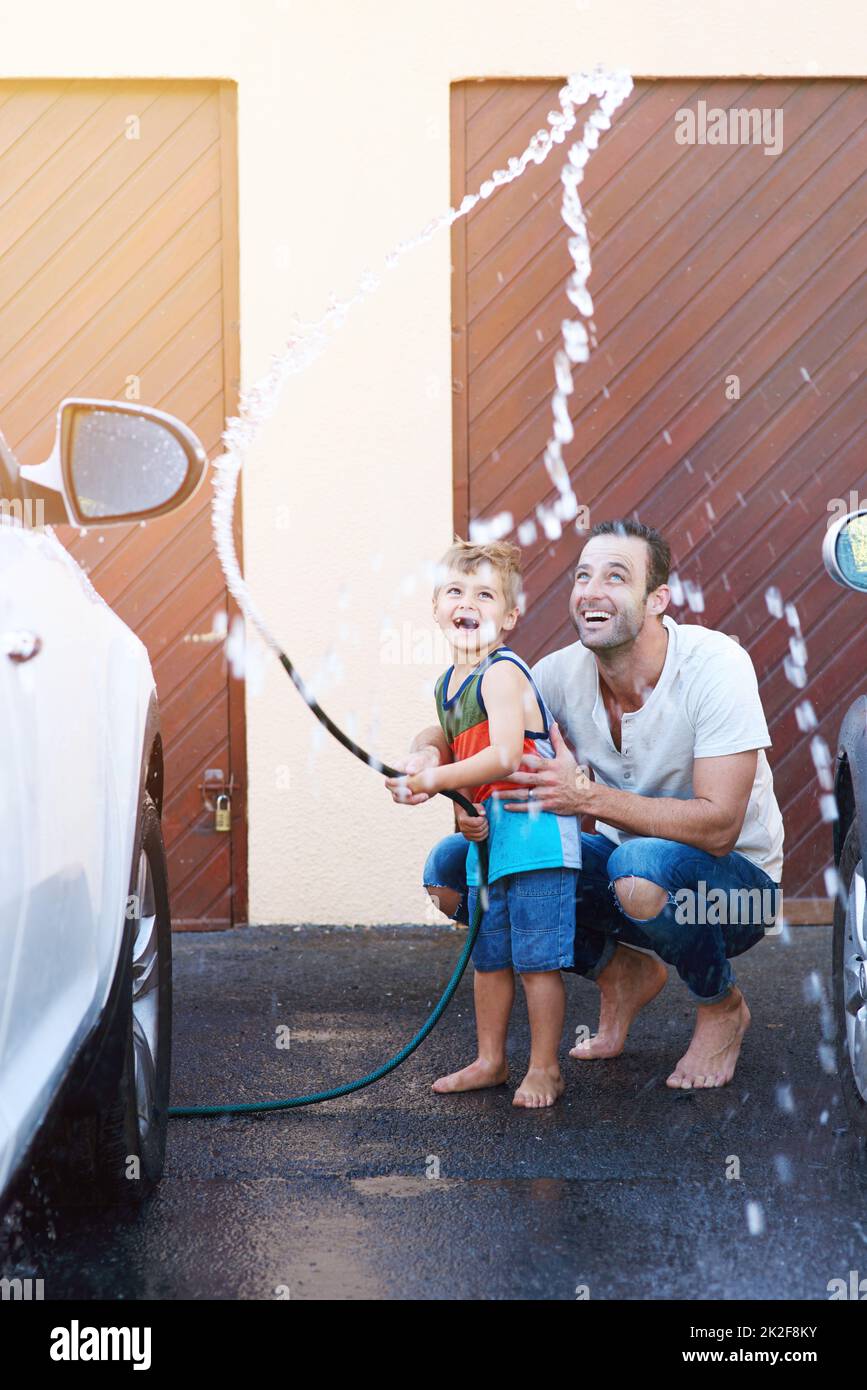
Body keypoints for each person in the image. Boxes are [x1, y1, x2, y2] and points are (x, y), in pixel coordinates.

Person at [389, 519, 784, 1092]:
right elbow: (471, 721)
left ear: (657, 600)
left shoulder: (715, 666)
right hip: (628, 876)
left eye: (615, 577)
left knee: (639, 868)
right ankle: (619, 972)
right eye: (582, 576)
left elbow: (720, 826)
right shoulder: (558, 672)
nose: (591, 591)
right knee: (453, 872)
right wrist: (424, 752)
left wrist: (588, 796)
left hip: (734, 893)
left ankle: (720, 1004)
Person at [395, 537, 580, 1108]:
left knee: (536, 959)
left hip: (537, 832)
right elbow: (465, 759)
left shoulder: (501, 674)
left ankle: (545, 1068)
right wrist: (459, 805)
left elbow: (503, 756)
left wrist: (435, 782)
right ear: (435, 607)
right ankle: (490, 1059)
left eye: (484, 593)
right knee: (490, 954)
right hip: (494, 835)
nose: (467, 601)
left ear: (510, 615)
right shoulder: (446, 685)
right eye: (455, 590)